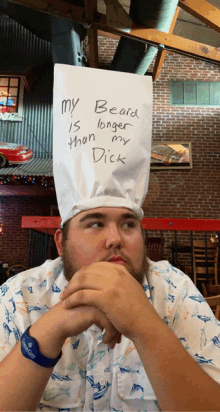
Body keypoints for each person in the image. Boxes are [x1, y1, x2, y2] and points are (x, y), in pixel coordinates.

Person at [0, 65, 220, 411]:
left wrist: (145, 326)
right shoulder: (21, 297)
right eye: (95, 224)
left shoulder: (173, 292)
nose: (115, 238)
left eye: (129, 224)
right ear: (61, 242)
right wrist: (50, 330)